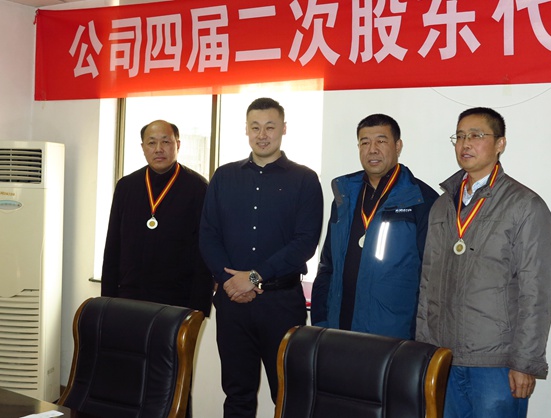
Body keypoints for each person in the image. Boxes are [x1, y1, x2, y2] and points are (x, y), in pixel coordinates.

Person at [416, 107, 551, 418]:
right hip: (444, 358)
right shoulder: (442, 206)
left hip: (496, 363)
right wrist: (424, 351)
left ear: (500, 143)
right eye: (459, 136)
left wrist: (525, 363)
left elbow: (537, 292)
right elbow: (427, 283)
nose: (465, 143)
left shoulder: (525, 205)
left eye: (476, 135)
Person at [199, 97, 323, 418]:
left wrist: (253, 277)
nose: (262, 135)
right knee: (236, 393)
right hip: (232, 304)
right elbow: (208, 235)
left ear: (284, 129)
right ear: (246, 130)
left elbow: (305, 243)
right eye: (255, 127)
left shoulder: (305, 179)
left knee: (288, 392)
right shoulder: (224, 176)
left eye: (270, 127)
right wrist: (230, 282)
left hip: (282, 304)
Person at [311, 113, 438, 339]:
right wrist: (320, 318)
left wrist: (420, 336)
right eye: (365, 142)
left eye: (381, 141)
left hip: (392, 334)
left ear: (398, 146)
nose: (372, 150)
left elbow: (430, 278)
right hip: (338, 328)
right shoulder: (344, 195)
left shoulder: (420, 199)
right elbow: (327, 264)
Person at [101, 119, 213, 316]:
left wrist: (199, 309)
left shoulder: (198, 188)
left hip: (178, 300)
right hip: (129, 296)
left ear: (178, 145)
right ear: (143, 147)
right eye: (152, 142)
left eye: (166, 142)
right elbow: (113, 245)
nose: (158, 149)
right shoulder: (126, 186)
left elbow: (204, 251)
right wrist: (107, 299)